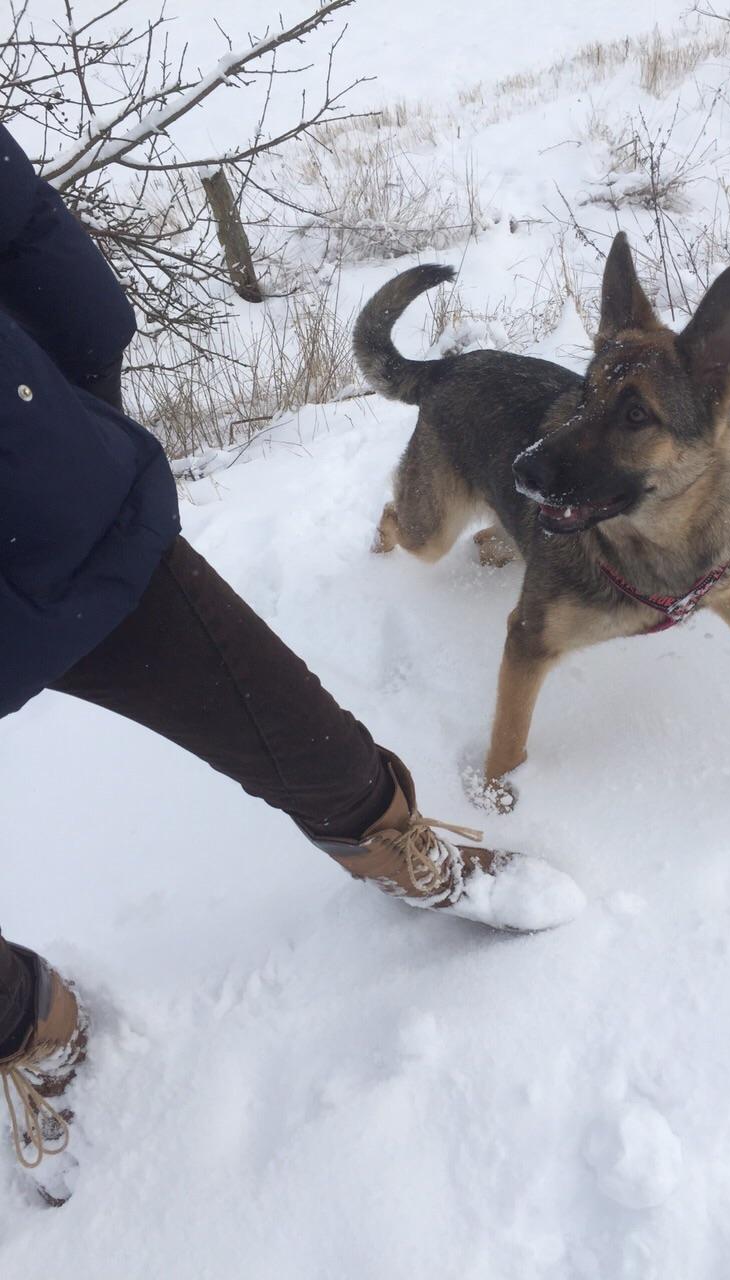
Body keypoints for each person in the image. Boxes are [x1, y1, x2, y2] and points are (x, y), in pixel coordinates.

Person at [0, 125, 581, 1195]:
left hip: (40, 513)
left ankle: (391, 837)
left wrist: (66, 400)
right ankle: (31, 1024)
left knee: (270, 712)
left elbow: (16, 214)